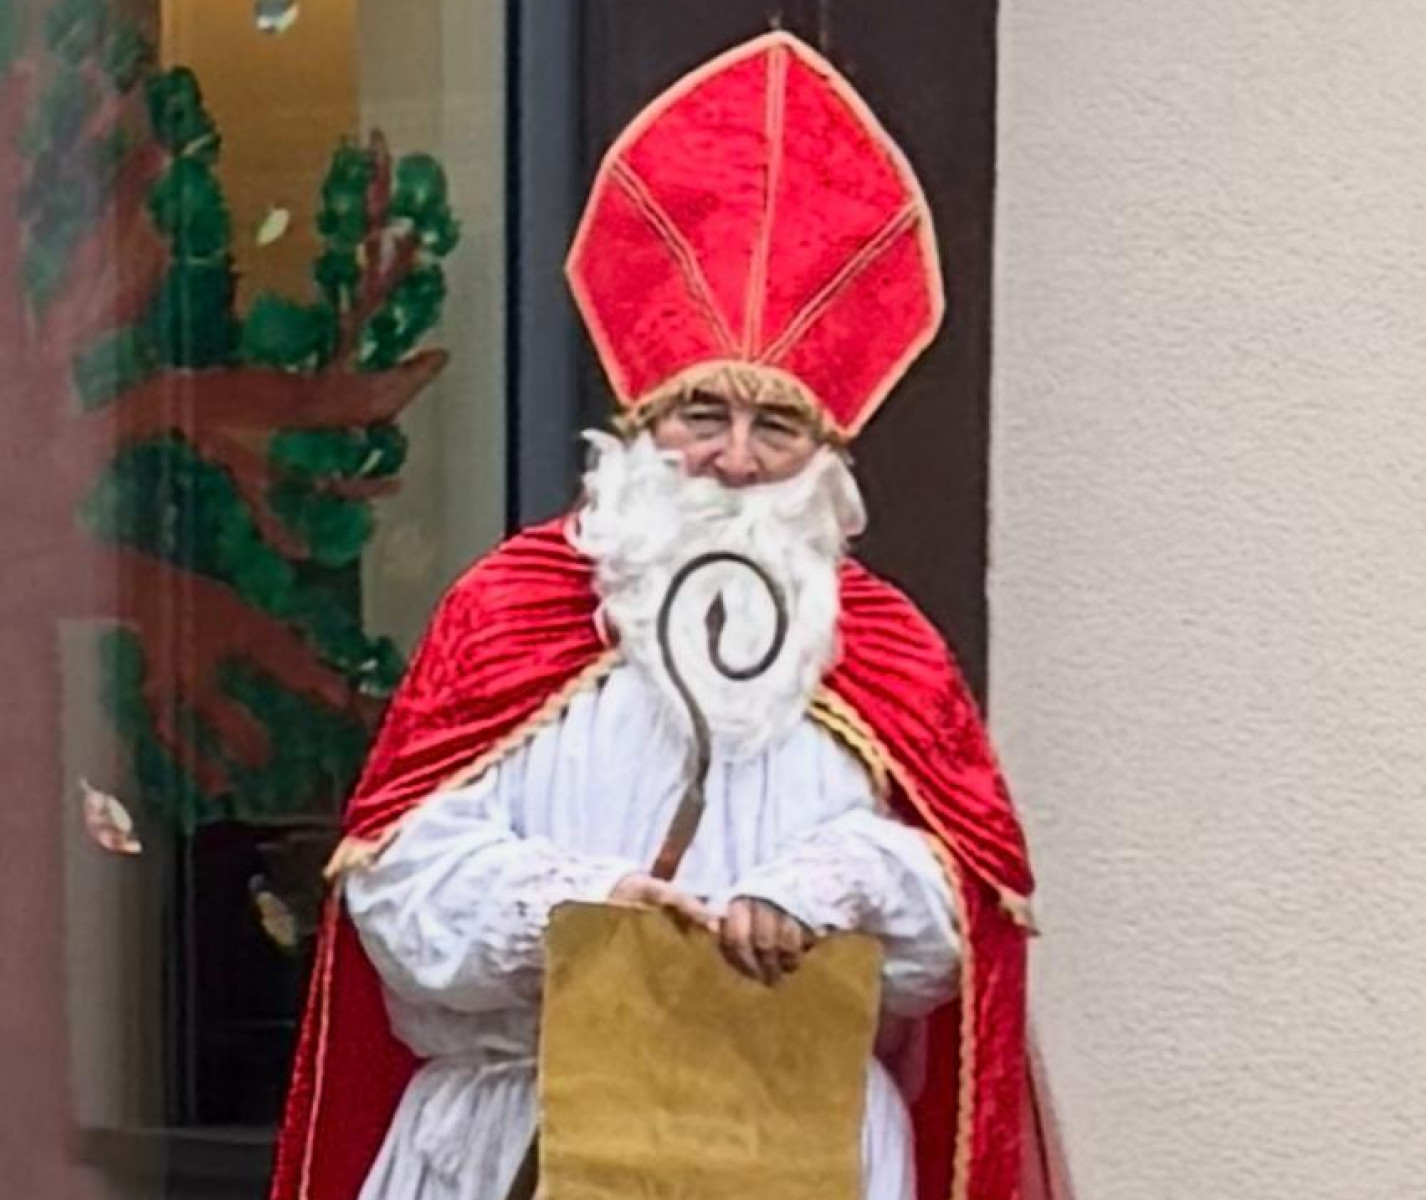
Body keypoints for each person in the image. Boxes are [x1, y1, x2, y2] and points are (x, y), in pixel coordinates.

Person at [269, 30, 1064, 1200]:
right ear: (640, 425)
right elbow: (396, 892)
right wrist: (583, 911)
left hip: (796, 1145)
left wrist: (828, 883)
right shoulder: (511, 613)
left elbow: (959, 926)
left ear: (823, 455)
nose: (735, 459)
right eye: (701, 413)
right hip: (521, 1140)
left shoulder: (880, 648)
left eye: (776, 426)